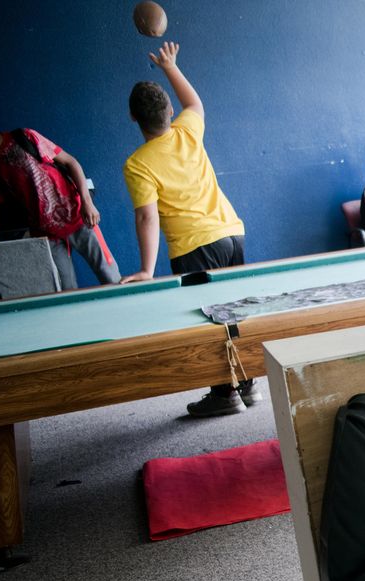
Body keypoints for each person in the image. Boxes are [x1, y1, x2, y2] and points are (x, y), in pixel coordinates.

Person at [121, 41, 256, 417]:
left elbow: (147, 217)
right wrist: (169, 66)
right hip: (231, 233)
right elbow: (194, 103)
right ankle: (248, 386)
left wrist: (146, 270)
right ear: (169, 111)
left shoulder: (137, 163)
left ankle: (225, 393)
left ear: (134, 119)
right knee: (235, 312)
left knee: (210, 320)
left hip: (195, 247)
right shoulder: (187, 130)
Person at [0, 127, 120, 287]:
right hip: (46, 232)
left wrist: (87, 203)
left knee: (110, 275)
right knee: (65, 289)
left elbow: (70, 162)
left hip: (77, 216)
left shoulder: (24, 137)